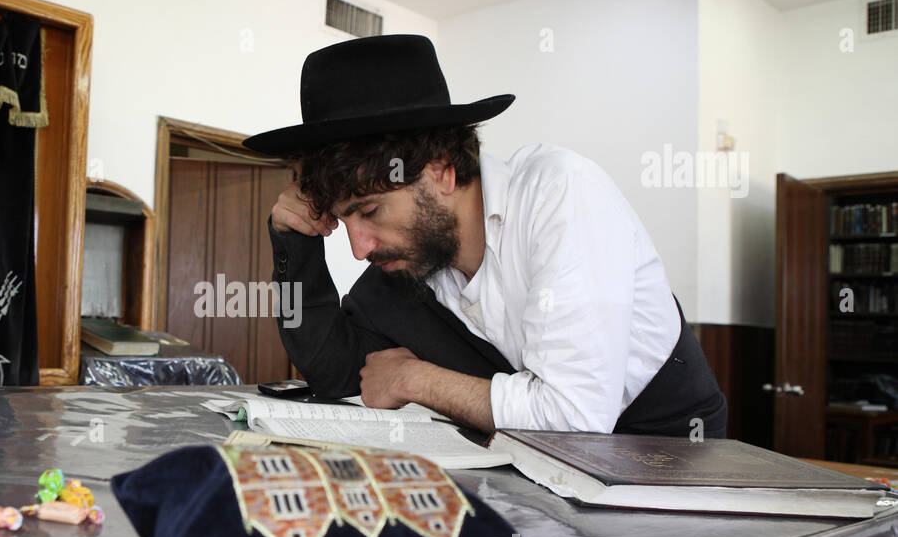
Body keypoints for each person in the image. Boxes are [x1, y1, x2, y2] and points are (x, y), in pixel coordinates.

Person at [243, 34, 727, 438]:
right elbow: (334, 371)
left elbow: (574, 420)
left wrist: (416, 379)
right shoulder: (411, 262)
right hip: (534, 471)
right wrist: (295, 243)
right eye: (344, 221)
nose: (359, 247)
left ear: (441, 172)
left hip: (668, 459)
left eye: (369, 212)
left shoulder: (561, 193)